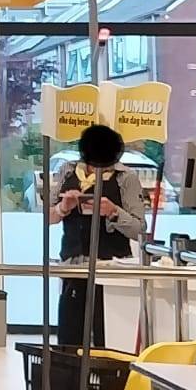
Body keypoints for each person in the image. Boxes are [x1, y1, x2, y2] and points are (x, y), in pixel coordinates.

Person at [48, 134, 146, 348]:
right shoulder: (67, 171)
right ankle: (68, 381)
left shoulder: (126, 178)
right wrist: (63, 208)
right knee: (69, 339)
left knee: (108, 338)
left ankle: (109, 381)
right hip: (74, 267)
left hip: (111, 271)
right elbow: (47, 217)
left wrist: (113, 212)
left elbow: (139, 229)